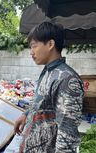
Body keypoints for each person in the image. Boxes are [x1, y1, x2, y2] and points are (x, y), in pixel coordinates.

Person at [14, 22, 84, 153]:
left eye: (34, 46)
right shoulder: (48, 71)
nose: (31, 52)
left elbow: (67, 134)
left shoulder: (67, 79)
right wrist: (26, 114)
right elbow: (41, 103)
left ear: (50, 44)